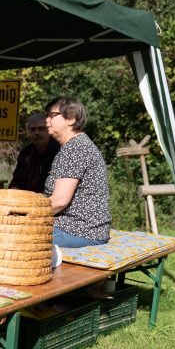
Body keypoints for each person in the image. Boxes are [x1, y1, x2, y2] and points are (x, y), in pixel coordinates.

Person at [44, 97, 111, 248]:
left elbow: (60, 200)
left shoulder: (76, 148)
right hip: (81, 229)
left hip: (79, 231)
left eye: (52, 115)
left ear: (71, 119)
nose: (47, 120)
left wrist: (28, 213)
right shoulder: (75, 145)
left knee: (14, 236)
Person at [9, 112, 60, 192]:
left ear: (49, 130)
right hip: (26, 201)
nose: (37, 133)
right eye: (33, 129)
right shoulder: (25, 154)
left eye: (41, 129)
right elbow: (16, 181)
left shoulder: (59, 152)